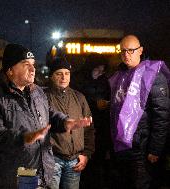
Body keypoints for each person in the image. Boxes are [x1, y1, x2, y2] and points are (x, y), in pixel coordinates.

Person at [0, 44, 92, 189]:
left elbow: (49, 114)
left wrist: (65, 122)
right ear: (10, 70)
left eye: (33, 64)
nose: (32, 69)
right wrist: (22, 137)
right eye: (26, 64)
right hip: (16, 172)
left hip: (40, 170)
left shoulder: (36, 92)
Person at [109, 35, 170, 189]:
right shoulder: (119, 75)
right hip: (122, 146)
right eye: (122, 51)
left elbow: (161, 116)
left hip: (142, 147)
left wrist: (155, 149)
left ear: (140, 50)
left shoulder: (153, 75)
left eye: (131, 50)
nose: (126, 54)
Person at [44, 58, 95, 189]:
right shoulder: (43, 97)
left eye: (67, 73)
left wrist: (86, 154)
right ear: (51, 76)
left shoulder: (79, 97)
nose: (63, 77)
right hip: (52, 160)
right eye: (58, 73)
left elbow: (89, 129)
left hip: (74, 161)